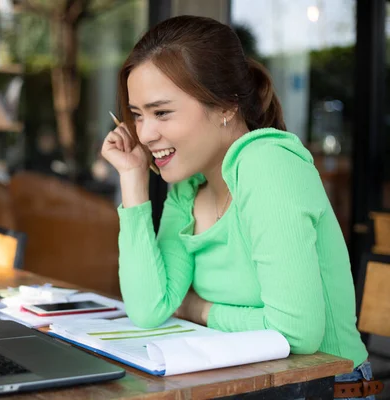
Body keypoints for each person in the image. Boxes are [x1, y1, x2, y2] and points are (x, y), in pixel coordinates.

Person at [101, 15, 378, 399]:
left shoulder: (268, 165)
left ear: (227, 106)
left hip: (324, 386)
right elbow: (150, 309)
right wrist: (133, 180)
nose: (145, 134)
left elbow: (296, 333)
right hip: (242, 380)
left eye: (161, 112)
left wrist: (198, 308)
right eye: (136, 114)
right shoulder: (188, 184)